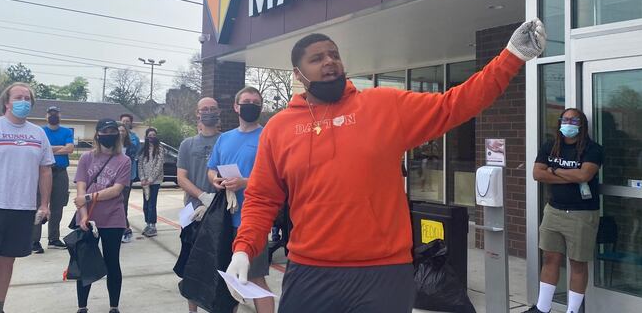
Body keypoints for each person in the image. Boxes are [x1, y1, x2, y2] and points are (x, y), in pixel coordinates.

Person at [227, 20, 546, 312]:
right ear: (298, 73)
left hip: (383, 273)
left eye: (334, 55)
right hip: (310, 271)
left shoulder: (383, 106)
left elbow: (456, 104)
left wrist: (512, 56)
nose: (329, 62)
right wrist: (244, 249)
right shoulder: (280, 128)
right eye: (317, 58)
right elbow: (262, 197)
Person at [0, 82, 54, 313]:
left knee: (7, 261)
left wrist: (44, 204)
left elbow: (45, 170)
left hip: (23, 208)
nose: (24, 102)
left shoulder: (38, 134)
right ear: (6, 102)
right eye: (18, 97)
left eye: (27, 98)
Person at [525, 108, 603, 313]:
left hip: (582, 214)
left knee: (577, 264)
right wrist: (570, 174)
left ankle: (573, 311)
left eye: (573, 120)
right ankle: (542, 308)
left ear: (582, 124)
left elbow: (584, 175)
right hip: (554, 211)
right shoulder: (550, 146)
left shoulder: (592, 149)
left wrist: (554, 170)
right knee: (550, 258)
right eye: (565, 119)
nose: (568, 123)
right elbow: (537, 174)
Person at [207, 86, 273, 313]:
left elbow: (275, 175)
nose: (251, 105)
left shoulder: (267, 136)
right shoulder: (224, 138)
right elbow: (211, 169)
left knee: (254, 279)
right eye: (246, 101)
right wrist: (215, 180)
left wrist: (244, 182)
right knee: (227, 279)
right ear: (236, 106)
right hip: (224, 220)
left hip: (253, 220)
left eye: (256, 102)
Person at [72, 118, 132, 313]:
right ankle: (82, 307)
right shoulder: (86, 158)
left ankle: (114, 306)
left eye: (113, 131)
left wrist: (88, 197)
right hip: (88, 218)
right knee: (85, 262)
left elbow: (116, 190)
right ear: (98, 134)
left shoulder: (124, 160)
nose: (109, 134)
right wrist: (83, 216)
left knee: (112, 261)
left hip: (113, 218)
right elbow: (80, 190)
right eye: (105, 131)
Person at [176, 97, 221, 313]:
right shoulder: (187, 144)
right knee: (191, 265)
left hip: (220, 212)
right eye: (205, 109)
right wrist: (202, 195)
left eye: (213, 109)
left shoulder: (226, 140)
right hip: (193, 213)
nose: (209, 112)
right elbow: (181, 178)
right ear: (198, 113)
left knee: (217, 265)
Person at [32, 106, 74, 253]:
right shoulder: (40, 131)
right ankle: (34, 241)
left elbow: (69, 149)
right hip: (42, 172)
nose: (53, 116)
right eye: (51, 114)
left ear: (60, 115)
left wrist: (48, 148)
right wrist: (59, 148)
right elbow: (39, 149)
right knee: (39, 205)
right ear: (46, 115)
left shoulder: (67, 131)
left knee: (58, 206)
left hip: (60, 173)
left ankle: (53, 239)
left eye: (56, 113)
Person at [137, 127, 166, 237]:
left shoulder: (160, 148)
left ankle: (153, 225)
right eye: (150, 136)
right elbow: (140, 164)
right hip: (145, 181)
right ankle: (148, 223)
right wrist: (143, 178)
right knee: (146, 203)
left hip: (155, 181)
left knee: (152, 204)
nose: (152, 137)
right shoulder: (143, 149)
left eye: (154, 135)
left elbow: (159, 165)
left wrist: (150, 179)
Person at [118, 113, 140, 243]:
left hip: (127, 177)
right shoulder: (113, 141)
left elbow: (134, 151)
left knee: (123, 202)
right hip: (113, 177)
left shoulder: (133, 139)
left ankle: (125, 229)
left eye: (127, 122)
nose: (125, 124)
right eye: (122, 122)